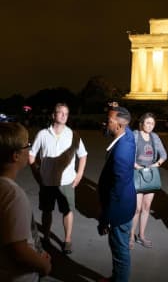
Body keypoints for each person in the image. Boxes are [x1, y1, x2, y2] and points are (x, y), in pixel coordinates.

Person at [29, 103, 88, 254]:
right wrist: (37, 174)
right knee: (46, 211)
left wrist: (79, 174)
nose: (63, 115)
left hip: (66, 182)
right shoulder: (42, 134)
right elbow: (31, 155)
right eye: (60, 112)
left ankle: (67, 240)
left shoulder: (73, 135)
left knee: (67, 211)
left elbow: (83, 155)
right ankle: (46, 238)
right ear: (53, 115)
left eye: (66, 113)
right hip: (47, 182)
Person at [0, 122, 52, 281]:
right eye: (27, 144)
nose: (30, 149)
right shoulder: (13, 196)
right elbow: (19, 250)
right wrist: (44, 266)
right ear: (15, 155)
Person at [97, 106, 136, 282]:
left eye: (109, 121)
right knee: (119, 249)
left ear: (119, 125)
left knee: (120, 252)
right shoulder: (127, 134)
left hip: (119, 209)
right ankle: (116, 277)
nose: (106, 123)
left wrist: (106, 219)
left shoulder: (122, 151)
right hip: (126, 203)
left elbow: (116, 191)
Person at [130, 112, 167, 249]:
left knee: (146, 207)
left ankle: (142, 236)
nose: (150, 126)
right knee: (137, 209)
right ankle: (130, 237)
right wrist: (135, 165)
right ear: (142, 123)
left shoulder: (155, 137)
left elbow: (164, 155)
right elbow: (129, 152)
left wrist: (155, 165)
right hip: (137, 174)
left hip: (151, 175)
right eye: (147, 123)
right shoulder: (135, 135)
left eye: (152, 123)